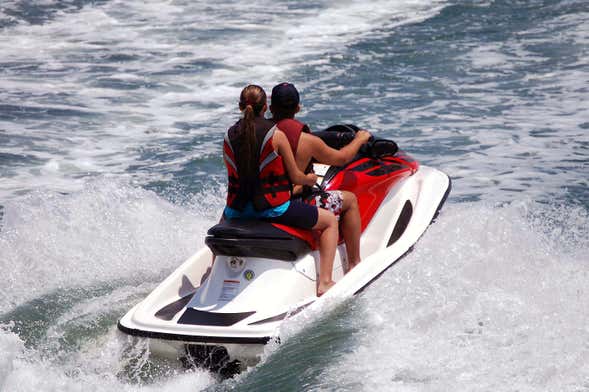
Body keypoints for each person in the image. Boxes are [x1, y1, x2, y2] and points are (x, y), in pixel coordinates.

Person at [223, 84, 338, 296]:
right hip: (272, 209)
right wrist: (310, 179)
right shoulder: (275, 135)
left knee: (223, 219)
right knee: (329, 221)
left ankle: (212, 271)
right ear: (265, 106)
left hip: (236, 211)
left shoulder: (229, 136)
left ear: (240, 107)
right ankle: (325, 282)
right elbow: (295, 176)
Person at [270, 82, 371, 271]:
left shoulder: (261, 136)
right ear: (298, 108)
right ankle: (354, 263)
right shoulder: (308, 141)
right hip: (293, 204)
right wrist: (359, 139)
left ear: (271, 108)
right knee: (349, 200)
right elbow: (341, 158)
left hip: (264, 201)